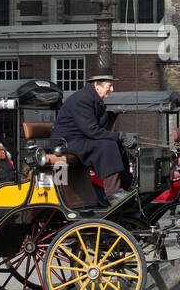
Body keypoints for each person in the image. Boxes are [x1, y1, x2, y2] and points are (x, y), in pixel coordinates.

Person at [47, 70, 132, 208]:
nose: (112, 89)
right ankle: (114, 193)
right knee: (106, 145)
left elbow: (98, 129)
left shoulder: (94, 99)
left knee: (117, 145)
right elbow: (92, 130)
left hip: (80, 139)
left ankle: (125, 186)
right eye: (109, 86)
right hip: (66, 142)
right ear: (97, 85)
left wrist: (120, 138)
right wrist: (119, 136)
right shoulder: (83, 99)